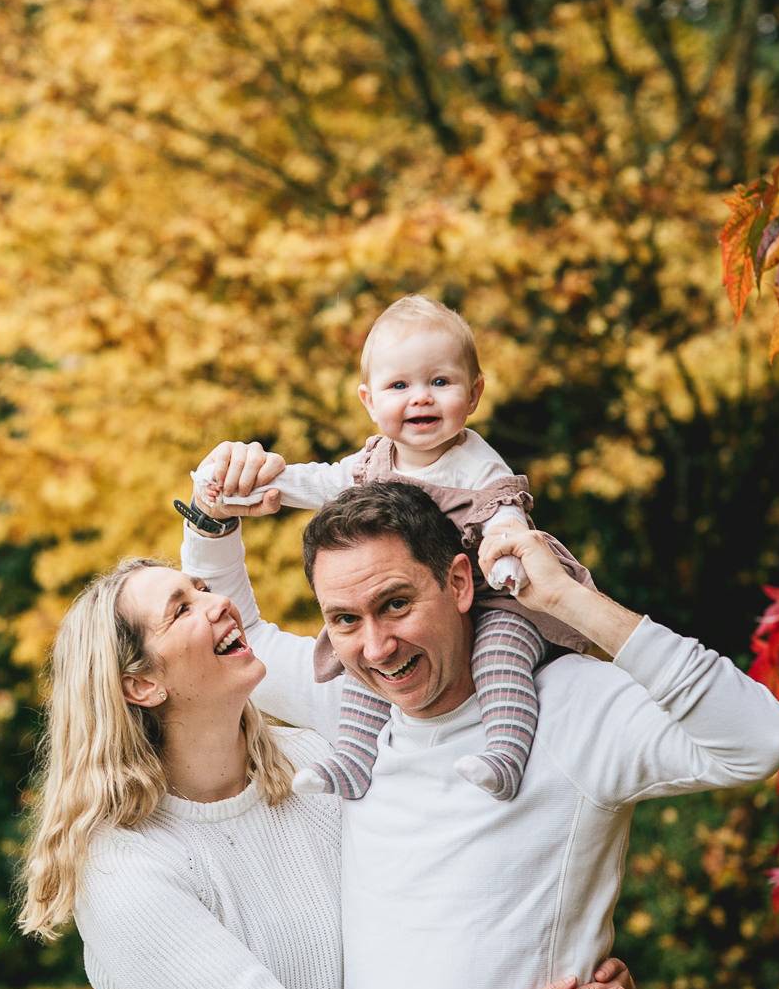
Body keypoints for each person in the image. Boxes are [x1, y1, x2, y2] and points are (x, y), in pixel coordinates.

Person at [182, 463, 779, 989]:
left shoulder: (576, 705)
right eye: (345, 620)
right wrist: (212, 522)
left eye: (395, 604)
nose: (377, 647)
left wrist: (567, 598)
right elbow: (247, 634)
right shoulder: (350, 708)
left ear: (458, 582)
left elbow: (760, 739)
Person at [16, 556, 638, 989]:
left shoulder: (317, 771)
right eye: (182, 609)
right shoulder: (124, 862)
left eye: (203, 586)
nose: (219, 603)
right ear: (142, 684)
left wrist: (567, 968)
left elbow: (431, 888)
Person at [188, 296, 594, 804]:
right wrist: (236, 494)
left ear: (474, 394)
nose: (420, 398)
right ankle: (356, 761)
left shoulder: (478, 466)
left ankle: (505, 753)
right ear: (368, 401)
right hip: (448, 595)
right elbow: (320, 483)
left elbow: (506, 522)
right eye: (399, 386)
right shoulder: (373, 463)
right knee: (362, 667)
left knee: (500, 655)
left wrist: (510, 561)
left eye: (439, 382)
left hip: (496, 596)